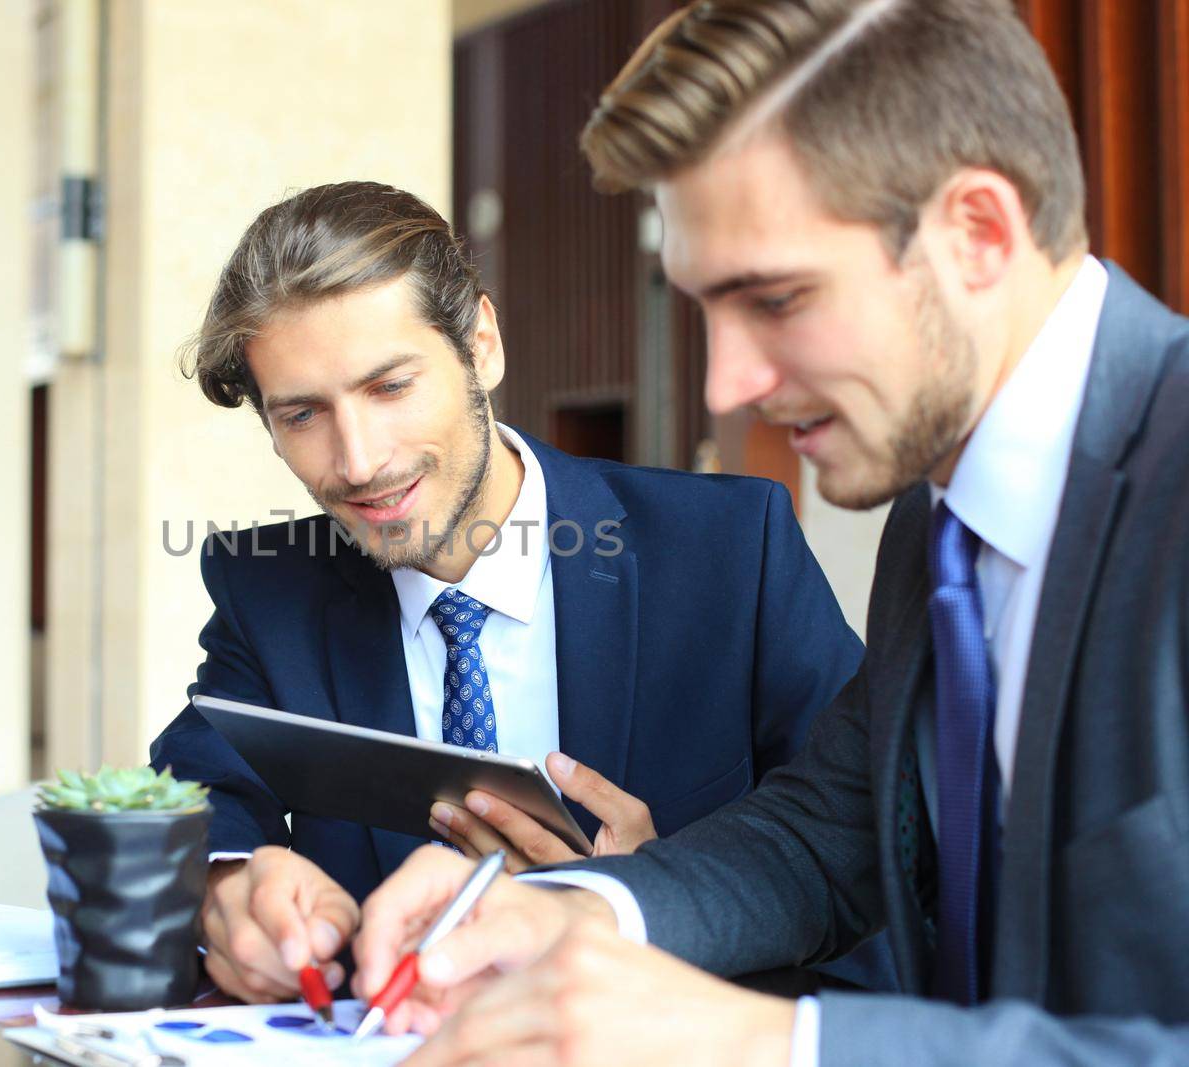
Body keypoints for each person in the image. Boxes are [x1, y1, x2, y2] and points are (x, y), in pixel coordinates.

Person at [351, 1, 1189, 1063]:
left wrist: (769, 1040)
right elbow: (825, 832)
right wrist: (570, 910)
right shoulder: (937, 520)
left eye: (778, 299)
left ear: (978, 233)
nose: (726, 383)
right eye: (707, 307)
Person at [147, 180, 867, 1005]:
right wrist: (228, 882)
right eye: (304, 413)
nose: (358, 460)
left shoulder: (732, 552)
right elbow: (193, 784)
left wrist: (652, 901)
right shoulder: (268, 587)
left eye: (389, 387)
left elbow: (873, 851)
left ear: (481, 343)